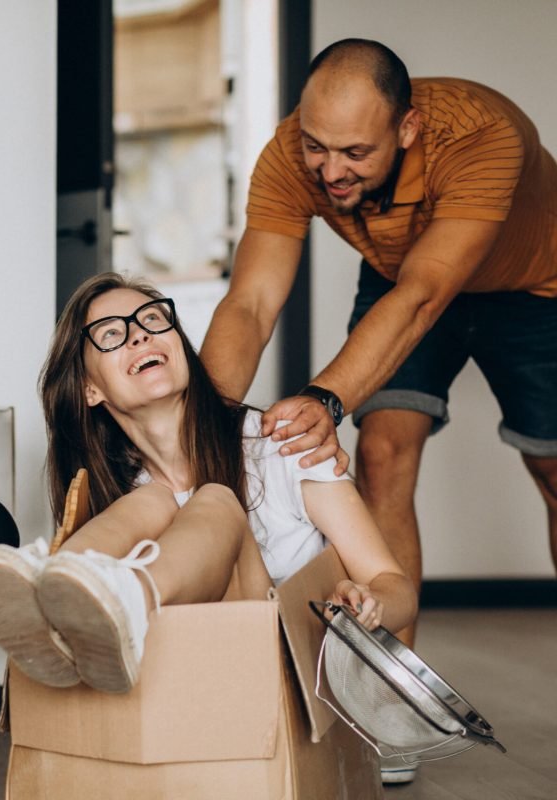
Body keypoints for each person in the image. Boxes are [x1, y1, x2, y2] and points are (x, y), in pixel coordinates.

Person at [200, 39, 557, 655]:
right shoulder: (291, 153)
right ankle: (395, 693)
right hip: (401, 276)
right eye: (317, 147)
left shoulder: (481, 136)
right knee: (383, 455)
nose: (331, 171)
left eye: (356, 153)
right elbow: (251, 302)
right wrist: (200, 424)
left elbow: (428, 294)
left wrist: (323, 398)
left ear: (408, 128)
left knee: (553, 470)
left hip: (531, 288)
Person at [0, 272, 416, 700]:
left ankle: (123, 599)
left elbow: (396, 587)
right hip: (177, 681)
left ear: (180, 346)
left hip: (283, 673)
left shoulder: (283, 443)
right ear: (88, 390)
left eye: (153, 320)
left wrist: (370, 604)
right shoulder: (122, 492)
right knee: (152, 500)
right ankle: (53, 589)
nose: (140, 333)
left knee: (214, 499)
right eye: (111, 334)